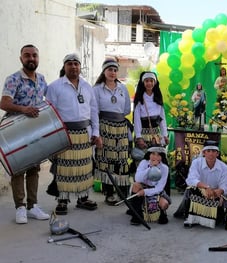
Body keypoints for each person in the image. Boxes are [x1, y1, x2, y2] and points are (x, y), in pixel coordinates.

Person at [46, 53, 102, 215]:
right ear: (64, 67)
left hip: (85, 133)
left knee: (84, 168)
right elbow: (50, 113)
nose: (73, 66)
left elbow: (93, 111)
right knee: (64, 169)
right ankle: (62, 200)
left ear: (80, 67)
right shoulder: (55, 86)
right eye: (69, 63)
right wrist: (54, 137)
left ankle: (83, 198)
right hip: (65, 134)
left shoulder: (87, 86)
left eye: (76, 63)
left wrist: (96, 132)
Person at [0, 44, 50, 223]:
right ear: (21, 58)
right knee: (18, 169)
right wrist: (23, 109)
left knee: (34, 169)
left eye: (34, 55)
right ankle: (20, 208)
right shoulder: (13, 79)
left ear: (38, 58)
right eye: (27, 55)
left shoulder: (42, 79)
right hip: (16, 131)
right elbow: (4, 103)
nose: (31, 58)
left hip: (35, 131)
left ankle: (32, 206)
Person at [93, 58, 131, 205]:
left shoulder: (123, 89)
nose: (113, 73)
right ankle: (109, 192)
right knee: (106, 161)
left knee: (121, 160)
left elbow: (127, 108)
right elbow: (94, 111)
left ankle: (121, 191)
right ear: (104, 71)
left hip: (120, 127)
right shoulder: (96, 89)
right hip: (105, 127)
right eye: (110, 69)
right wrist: (97, 133)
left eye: (115, 70)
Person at [173, 140, 227, 229]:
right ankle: (190, 218)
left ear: (217, 154)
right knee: (190, 189)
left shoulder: (224, 167)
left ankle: (210, 217)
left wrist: (220, 191)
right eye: (208, 151)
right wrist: (206, 188)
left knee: (218, 218)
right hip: (200, 190)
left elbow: (224, 185)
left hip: (214, 194)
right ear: (204, 153)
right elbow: (190, 180)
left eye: (214, 151)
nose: (211, 154)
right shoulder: (196, 163)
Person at [129, 146, 171, 225]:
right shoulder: (144, 163)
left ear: (162, 156)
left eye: (159, 155)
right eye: (153, 154)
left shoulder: (164, 168)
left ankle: (161, 213)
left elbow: (160, 187)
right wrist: (150, 168)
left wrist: (145, 192)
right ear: (149, 154)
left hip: (156, 191)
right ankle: (136, 215)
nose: (155, 157)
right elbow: (138, 178)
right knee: (136, 185)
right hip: (142, 186)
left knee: (164, 204)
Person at [133, 71, 169, 149]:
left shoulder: (158, 97)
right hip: (143, 134)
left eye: (151, 81)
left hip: (156, 135)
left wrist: (165, 135)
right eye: (146, 81)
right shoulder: (140, 98)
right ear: (143, 82)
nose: (149, 83)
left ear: (155, 82)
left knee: (156, 158)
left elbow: (161, 118)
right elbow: (137, 119)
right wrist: (139, 137)